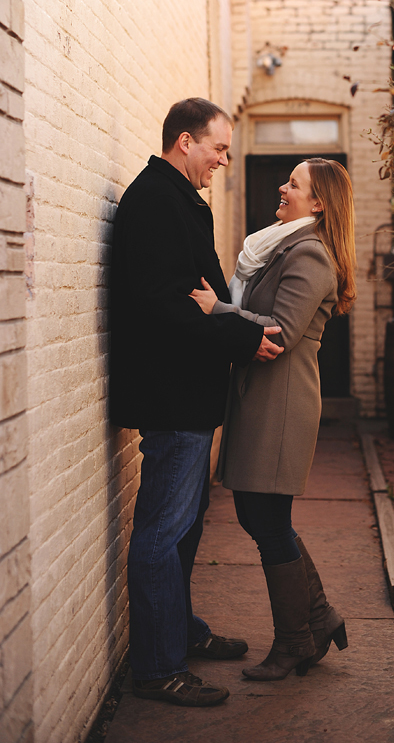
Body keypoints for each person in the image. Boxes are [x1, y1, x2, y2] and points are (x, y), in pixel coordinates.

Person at [108, 98, 284, 707]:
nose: (224, 160)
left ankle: (180, 633)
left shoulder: (179, 199)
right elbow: (165, 305)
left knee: (182, 532)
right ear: (185, 141)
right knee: (162, 532)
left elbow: (208, 292)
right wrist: (241, 336)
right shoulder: (157, 202)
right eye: (219, 148)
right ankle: (157, 669)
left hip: (187, 393)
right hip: (170, 395)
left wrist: (228, 318)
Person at [189, 157, 356, 681]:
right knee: (264, 519)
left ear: (318, 202)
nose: (282, 188)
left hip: (282, 406)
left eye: (294, 183)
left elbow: (280, 331)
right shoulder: (282, 245)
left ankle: (295, 643)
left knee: (266, 520)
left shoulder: (309, 256)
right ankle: (318, 619)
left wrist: (217, 311)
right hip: (263, 399)